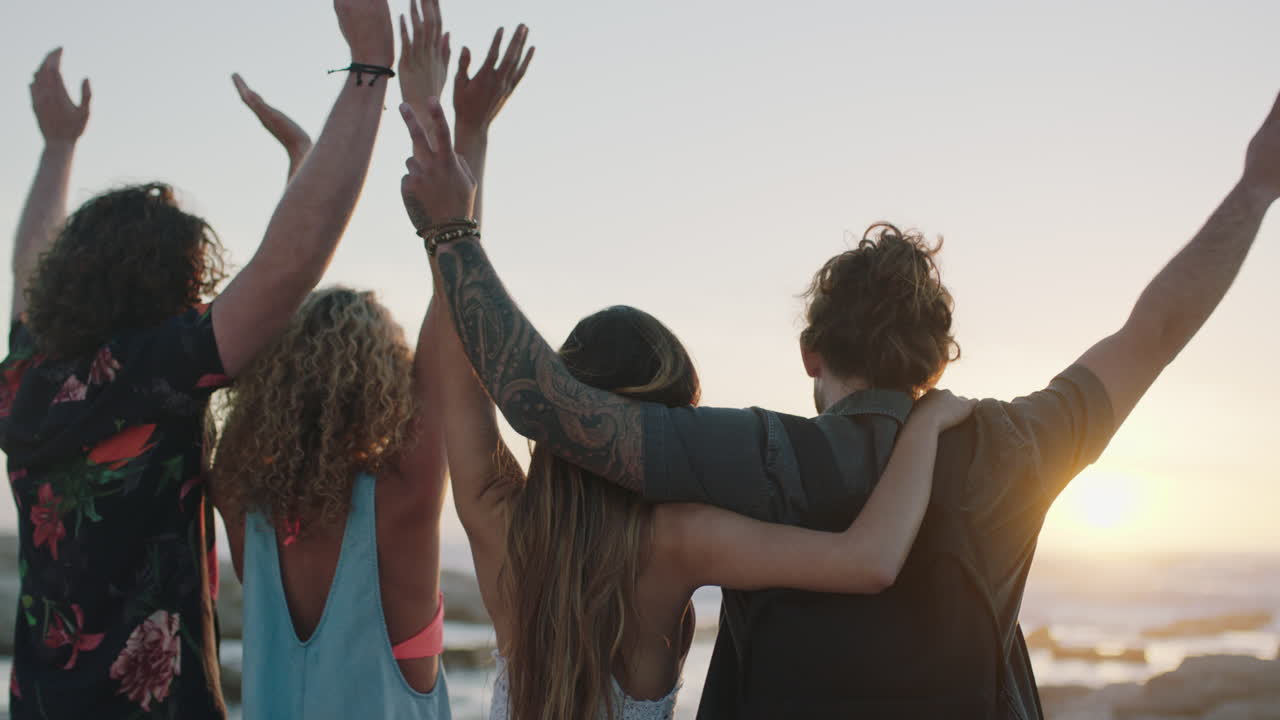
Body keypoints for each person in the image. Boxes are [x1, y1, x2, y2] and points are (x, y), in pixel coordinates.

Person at [401, 73, 1280, 718]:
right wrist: (1255, 189)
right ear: (934, 364)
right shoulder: (1015, 448)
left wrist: (454, 222)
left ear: (810, 353)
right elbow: (1152, 334)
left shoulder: (742, 456)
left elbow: (546, 406)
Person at [407, 98, 975, 720]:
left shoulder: (504, 527)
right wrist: (925, 423)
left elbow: (459, 347)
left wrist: (453, 204)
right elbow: (871, 561)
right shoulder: (676, 541)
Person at [0, 1, 394, 716]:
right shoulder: (156, 371)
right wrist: (368, 69)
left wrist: (58, 147)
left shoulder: (28, 380)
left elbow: (25, 268)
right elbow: (287, 268)